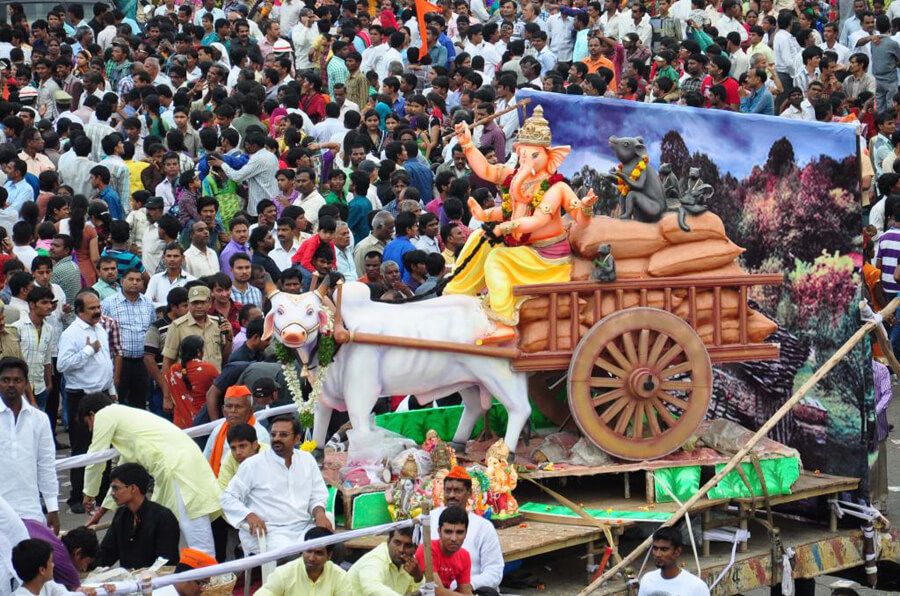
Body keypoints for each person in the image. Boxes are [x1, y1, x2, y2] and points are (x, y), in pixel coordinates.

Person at [78, 394, 220, 556]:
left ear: (92, 414)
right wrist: (101, 512)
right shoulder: (127, 422)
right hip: (181, 463)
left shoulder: (105, 414)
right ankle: (190, 575)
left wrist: (88, 494)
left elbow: (96, 458)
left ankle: (209, 575)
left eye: (89, 424)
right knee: (164, 529)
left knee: (195, 533)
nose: (91, 430)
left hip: (177, 468)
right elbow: (123, 476)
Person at [220, 414, 332, 554]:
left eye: (283, 434)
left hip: (304, 527)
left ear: (297, 438)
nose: (277, 438)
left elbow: (317, 495)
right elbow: (228, 498)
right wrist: (249, 515)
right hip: (269, 532)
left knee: (335, 548)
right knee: (293, 556)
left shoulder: (306, 460)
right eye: (273, 434)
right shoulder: (253, 464)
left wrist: (320, 514)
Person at [57, 290, 114, 514]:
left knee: (105, 447)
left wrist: (112, 390)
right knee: (83, 448)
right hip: (81, 397)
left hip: (103, 395)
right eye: (92, 308)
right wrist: (89, 350)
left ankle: (102, 494)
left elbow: (106, 361)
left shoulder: (100, 328)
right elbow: (62, 365)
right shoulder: (71, 334)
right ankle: (78, 497)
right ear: (79, 311)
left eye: (98, 306)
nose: (98, 311)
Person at [0, 357, 60, 533]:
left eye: (17, 380)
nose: (11, 385)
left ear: (26, 383)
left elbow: (46, 465)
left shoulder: (39, 419)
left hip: (30, 511)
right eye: (5, 380)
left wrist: (52, 508)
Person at [429, 467, 503, 593]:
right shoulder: (430, 518)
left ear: (469, 493)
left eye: (457, 491)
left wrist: (468, 585)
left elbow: (494, 572)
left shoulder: (484, 527)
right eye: (448, 490)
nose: (451, 495)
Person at [93, 462, 180, 569]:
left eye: (116, 488)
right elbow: (107, 555)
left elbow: (166, 563)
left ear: (133, 488)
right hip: (128, 582)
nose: (112, 493)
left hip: (155, 582)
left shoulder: (163, 518)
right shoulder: (121, 515)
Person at [162, 285, 233, 406]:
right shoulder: (177, 326)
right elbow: (167, 362)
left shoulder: (218, 323)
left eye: (202, 302)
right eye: (195, 303)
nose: (199, 306)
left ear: (210, 303)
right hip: (189, 389)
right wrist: (167, 396)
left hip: (215, 386)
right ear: (188, 304)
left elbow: (224, 357)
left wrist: (230, 337)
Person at [101, 268, 156, 409]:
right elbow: (101, 330)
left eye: (138, 280)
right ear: (122, 281)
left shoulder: (148, 304)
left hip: (142, 363)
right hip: (119, 363)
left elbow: (151, 330)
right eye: (131, 279)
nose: (135, 283)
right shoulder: (108, 303)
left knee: (140, 404)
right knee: (116, 403)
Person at [256, 527, 350, 595]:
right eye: (308, 551)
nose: (311, 558)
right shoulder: (284, 573)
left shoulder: (339, 576)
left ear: (329, 555)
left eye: (319, 553)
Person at [203, 384, 271, 476]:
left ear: (250, 411)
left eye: (238, 407)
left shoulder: (260, 434)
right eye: (229, 406)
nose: (233, 410)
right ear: (223, 410)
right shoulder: (218, 431)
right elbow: (204, 461)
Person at [346, 526, 423, 594]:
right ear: (388, 541)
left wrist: (418, 578)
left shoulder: (410, 565)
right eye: (397, 543)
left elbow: (422, 591)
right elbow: (371, 589)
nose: (401, 550)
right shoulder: (375, 559)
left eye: (408, 545)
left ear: (416, 548)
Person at [415, 506, 473, 595]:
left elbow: (466, 592)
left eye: (459, 532)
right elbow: (438, 592)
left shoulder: (464, 556)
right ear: (439, 531)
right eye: (448, 532)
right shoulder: (426, 550)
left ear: (466, 533)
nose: (454, 538)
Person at [22, 524, 97, 591]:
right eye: (87, 563)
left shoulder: (47, 531)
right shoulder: (68, 570)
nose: (84, 569)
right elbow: (78, 592)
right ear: (78, 553)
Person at [165, 335, 219, 429]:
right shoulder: (209, 369)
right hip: (202, 423)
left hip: (180, 424)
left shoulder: (173, 370)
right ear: (199, 352)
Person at [637, 527, 710, 596]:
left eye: (664, 549)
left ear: (677, 552)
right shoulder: (647, 580)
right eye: (655, 548)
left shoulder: (697, 587)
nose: (658, 554)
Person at [146, 243, 196, 307]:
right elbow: (147, 301)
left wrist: (160, 305)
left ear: (183, 258)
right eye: (169, 256)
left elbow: (193, 304)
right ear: (164, 258)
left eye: (176, 256)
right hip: (159, 315)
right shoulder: (155, 278)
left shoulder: (191, 280)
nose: (172, 259)